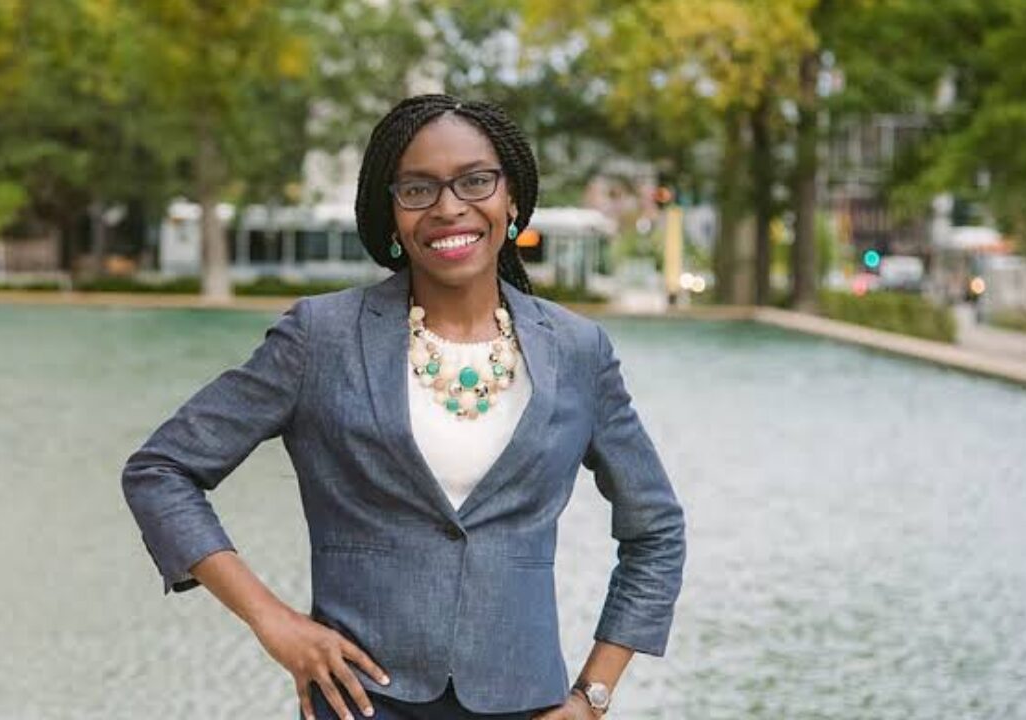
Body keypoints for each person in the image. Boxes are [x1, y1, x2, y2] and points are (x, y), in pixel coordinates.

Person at [121, 94, 686, 720]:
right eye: (418, 189)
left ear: (512, 198)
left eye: (476, 181)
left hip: (526, 704)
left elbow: (655, 531)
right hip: (361, 703)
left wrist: (593, 695)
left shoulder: (579, 351)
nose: (449, 207)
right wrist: (275, 624)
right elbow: (162, 471)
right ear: (390, 213)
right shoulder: (322, 337)